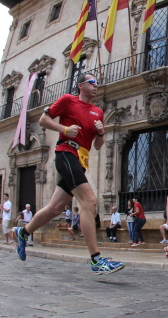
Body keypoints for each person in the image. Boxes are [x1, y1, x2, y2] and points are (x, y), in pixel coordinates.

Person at [13, 73, 124, 274]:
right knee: (89, 202)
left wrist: (101, 132)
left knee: (55, 208)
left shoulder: (98, 112)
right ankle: (96, 260)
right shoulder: (67, 100)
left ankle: (24, 232)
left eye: (97, 83)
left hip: (81, 161)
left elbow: (98, 146)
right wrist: (64, 129)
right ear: (81, 85)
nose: (96, 85)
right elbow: (44, 119)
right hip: (66, 152)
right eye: (92, 82)